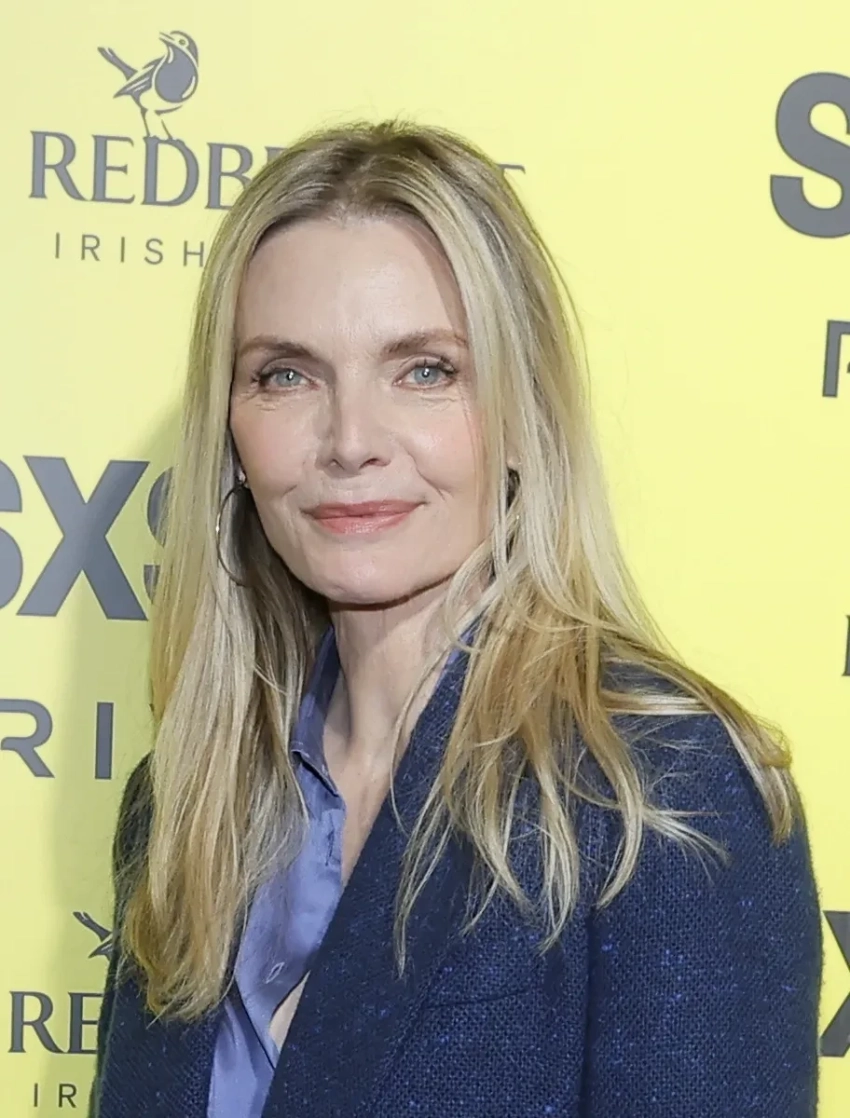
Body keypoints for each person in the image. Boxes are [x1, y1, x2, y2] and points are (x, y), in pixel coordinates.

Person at [89, 119, 822, 1118]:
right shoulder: (182, 803)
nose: (350, 440)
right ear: (231, 430)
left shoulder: (660, 794)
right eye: (285, 374)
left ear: (524, 412)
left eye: (425, 369)